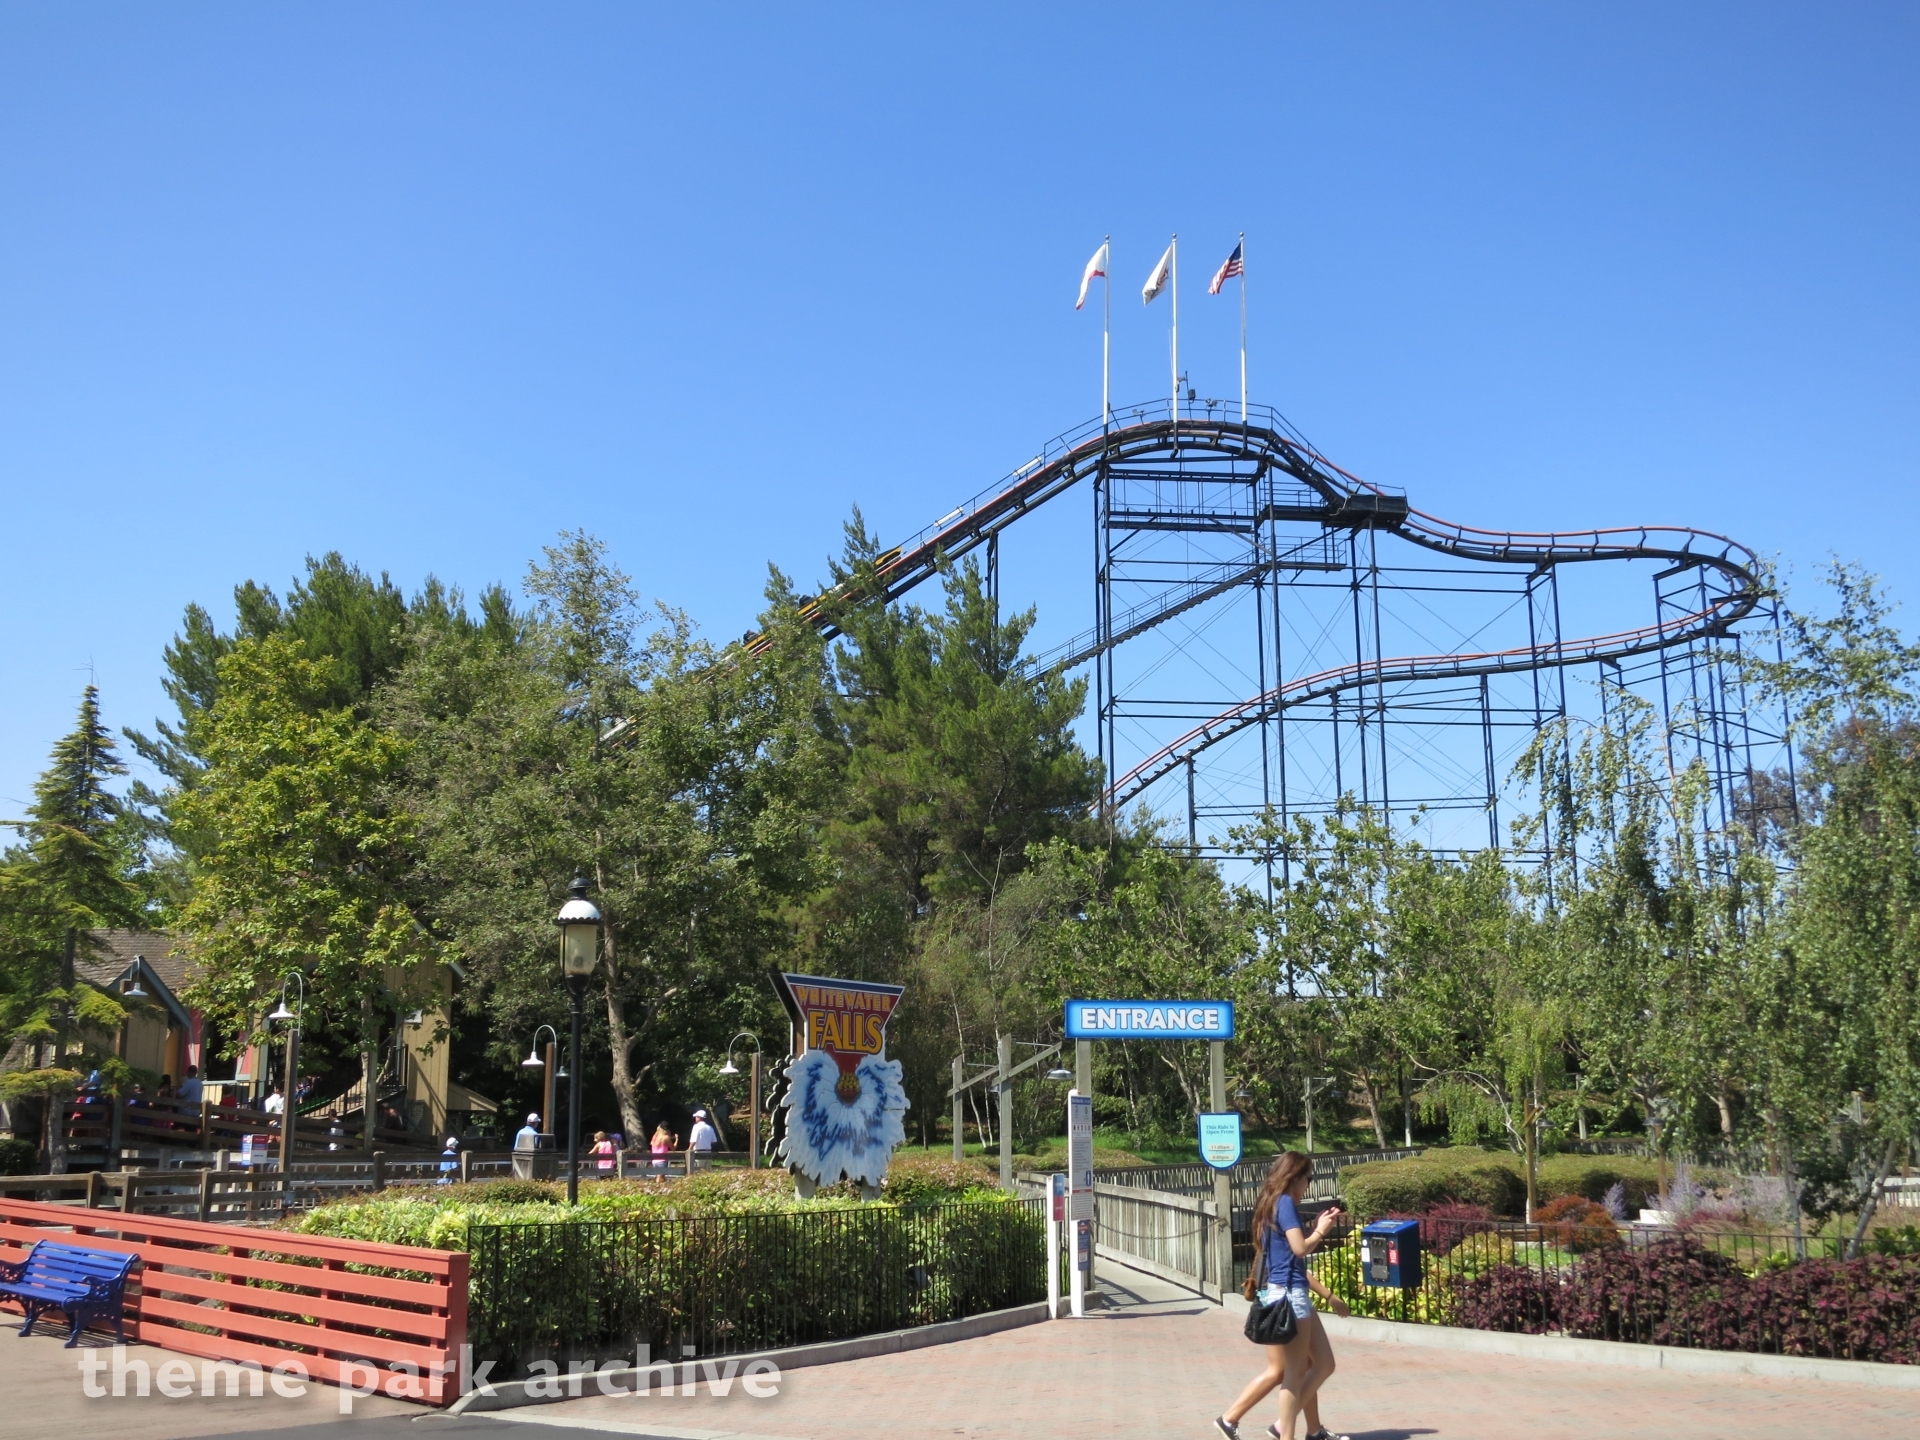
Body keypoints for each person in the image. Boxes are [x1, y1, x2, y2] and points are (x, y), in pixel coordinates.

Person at [1215, 1151, 1352, 1440]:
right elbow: (1300, 1249)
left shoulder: (1270, 1203)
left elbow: (1288, 1258)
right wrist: (1321, 1231)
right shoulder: (1286, 1203)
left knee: (1322, 1364)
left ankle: (1307, 1429)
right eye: (1308, 1178)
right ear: (1295, 1177)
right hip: (1289, 1295)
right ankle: (1283, 1432)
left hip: (1285, 1291)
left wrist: (1328, 1295)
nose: (1309, 1185)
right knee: (1294, 1373)